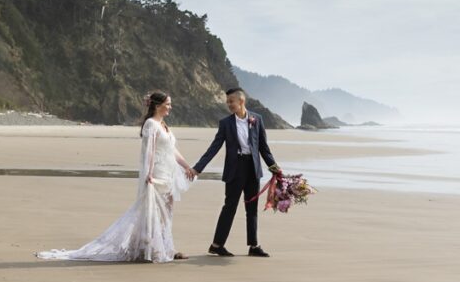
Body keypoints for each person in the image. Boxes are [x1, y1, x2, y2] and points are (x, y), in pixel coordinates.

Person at [36, 91, 197, 263]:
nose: (170, 107)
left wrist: (187, 166)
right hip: (156, 174)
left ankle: (166, 247)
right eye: (168, 104)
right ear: (157, 105)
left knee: (167, 212)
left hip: (168, 173)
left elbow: (171, 150)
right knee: (152, 211)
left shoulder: (164, 125)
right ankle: (149, 248)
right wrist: (148, 173)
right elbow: (149, 151)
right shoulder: (151, 124)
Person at [193, 87, 282, 257]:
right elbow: (214, 148)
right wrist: (198, 168)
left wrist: (274, 168)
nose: (228, 104)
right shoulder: (225, 123)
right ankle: (216, 245)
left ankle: (254, 246)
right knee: (230, 207)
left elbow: (263, 148)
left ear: (241, 101)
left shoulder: (257, 119)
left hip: (252, 169)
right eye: (227, 102)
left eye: (231, 101)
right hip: (235, 169)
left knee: (252, 208)